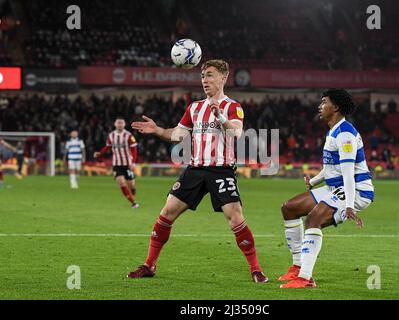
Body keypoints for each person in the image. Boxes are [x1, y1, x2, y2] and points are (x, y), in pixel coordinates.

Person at [128, 59, 268, 283]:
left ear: (223, 77)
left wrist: (220, 116)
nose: (205, 80)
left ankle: (256, 269)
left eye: (210, 75)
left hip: (221, 171)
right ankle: (149, 265)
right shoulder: (194, 107)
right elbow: (177, 135)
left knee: (235, 218)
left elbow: (236, 134)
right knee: (167, 213)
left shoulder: (233, 107)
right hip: (195, 169)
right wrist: (157, 130)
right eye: (203, 76)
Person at [278, 89, 375, 289]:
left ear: (336, 107)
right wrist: (313, 182)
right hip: (336, 187)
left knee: (314, 218)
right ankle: (297, 267)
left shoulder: (345, 134)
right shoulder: (334, 130)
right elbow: (331, 168)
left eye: (324, 102)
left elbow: (348, 174)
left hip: (357, 191)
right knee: (289, 208)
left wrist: (349, 206)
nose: (320, 106)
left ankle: (305, 278)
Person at [94, 117, 139, 209]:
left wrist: (133, 162)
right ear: (115, 124)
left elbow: (134, 149)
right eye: (118, 123)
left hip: (128, 164)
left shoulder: (129, 135)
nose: (120, 124)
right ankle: (133, 203)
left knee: (131, 184)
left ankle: (133, 189)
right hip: (116, 164)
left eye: (121, 123)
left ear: (124, 124)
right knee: (121, 183)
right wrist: (100, 153)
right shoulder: (111, 135)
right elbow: (108, 147)